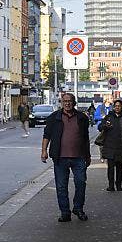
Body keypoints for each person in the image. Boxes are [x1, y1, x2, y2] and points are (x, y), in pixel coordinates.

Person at [41, 92, 92, 222]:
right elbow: (47, 135)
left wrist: (88, 155)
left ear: (74, 103)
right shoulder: (54, 118)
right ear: (61, 103)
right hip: (60, 157)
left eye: (69, 101)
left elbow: (85, 138)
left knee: (81, 183)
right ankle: (65, 212)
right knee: (61, 186)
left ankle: (78, 208)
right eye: (65, 101)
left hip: (79, 157)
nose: (67, 103)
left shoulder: (82, 118)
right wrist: (44, 151)